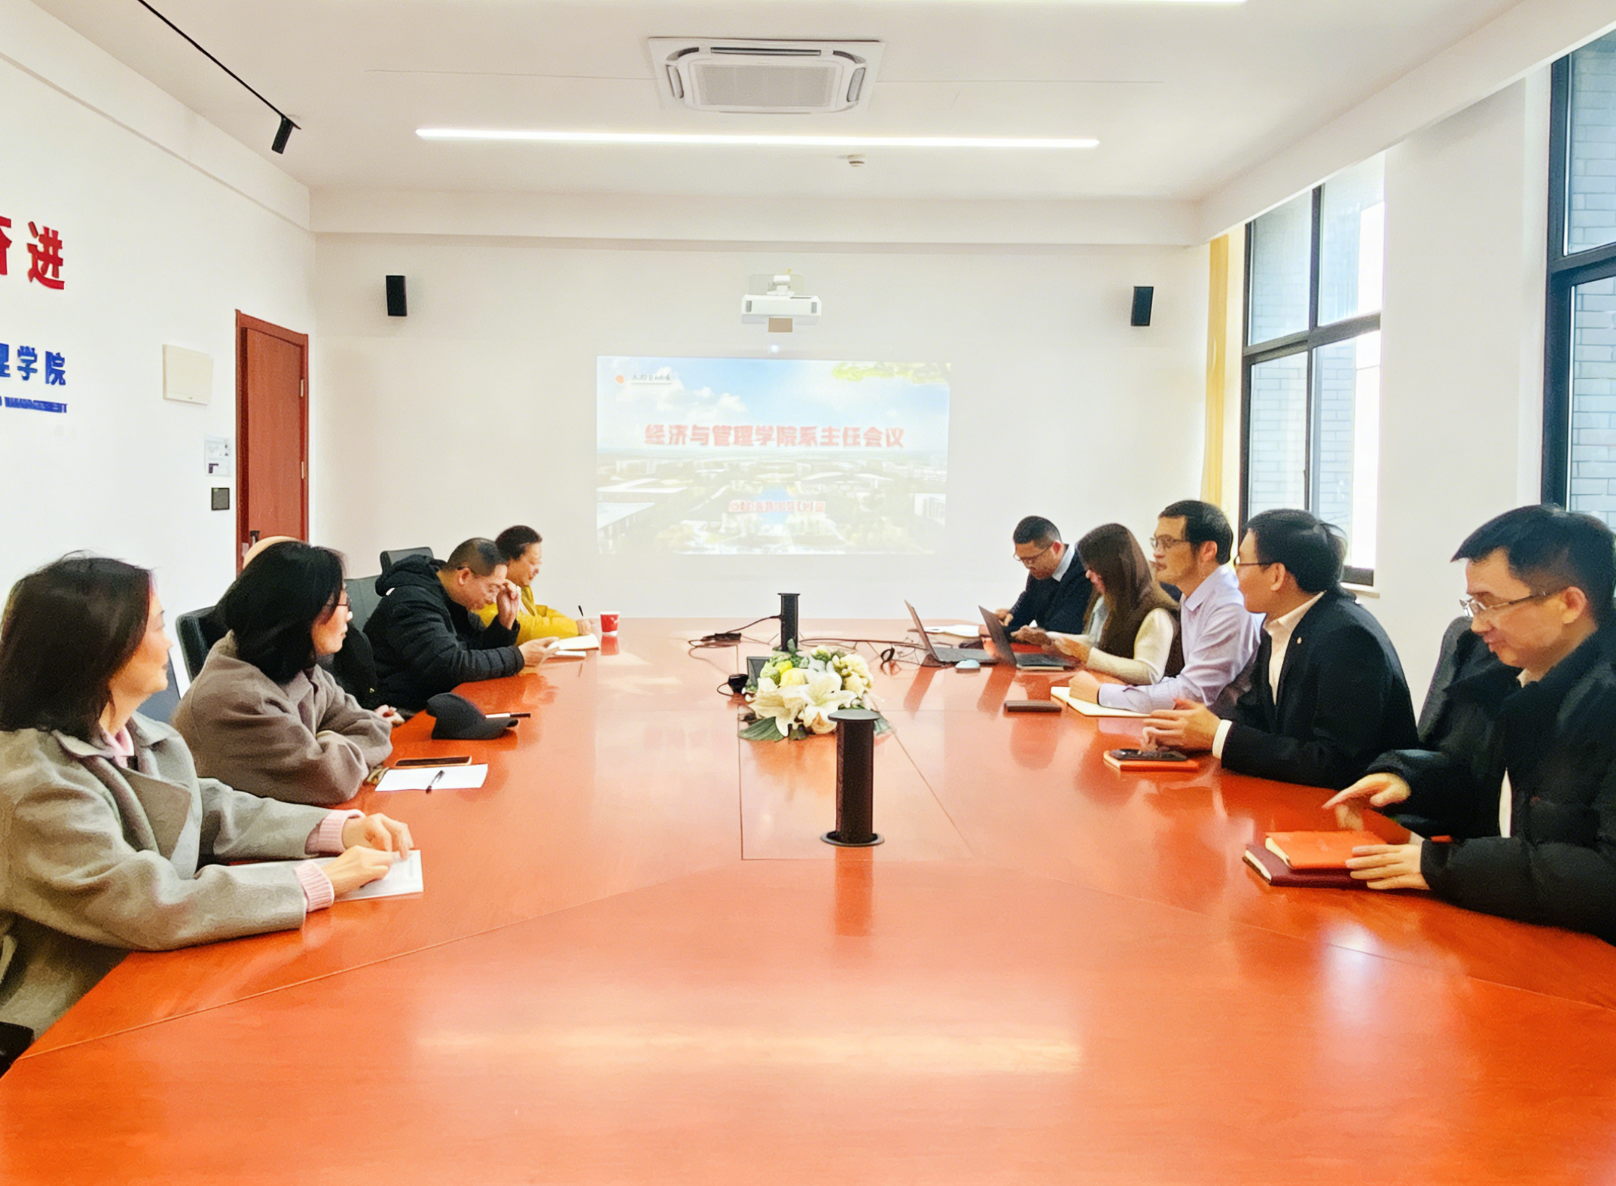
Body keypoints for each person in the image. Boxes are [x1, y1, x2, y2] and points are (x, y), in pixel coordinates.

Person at [0, 555, 411, 1063]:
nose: (171, 646)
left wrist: (335, 829)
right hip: (70, 1024)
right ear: (103, 647)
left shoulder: (142, 734)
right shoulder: (33, 783)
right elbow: (151, 904)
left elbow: (210, 806)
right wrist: (317, 880)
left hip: (154, 977)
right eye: (157, 627)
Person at [1324, 506, 1616, 942]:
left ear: (1569, 604)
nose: (1477, 625)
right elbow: (1484, 787)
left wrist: (1446, 868)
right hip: (1508, 922)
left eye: (1492, 604)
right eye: (1473, 604)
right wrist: (1408, 780)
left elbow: (1605, 876)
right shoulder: (1500, 668)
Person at [1142, 508, 1417, 789]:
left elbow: (1335, 763)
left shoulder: (1347, 638)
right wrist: (1191, 732)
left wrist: (1219, 735)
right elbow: (1255, 714)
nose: (1235, 574)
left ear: (1276, 575)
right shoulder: (1280, 624)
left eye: (1241, 562)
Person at [173, 542, 394, 807]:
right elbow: (330, 779)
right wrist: (326, 742)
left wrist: (324, 744)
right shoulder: (237, 698)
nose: (349, 615)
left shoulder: (290, 662)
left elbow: (370, 727)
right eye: (342, 601)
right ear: (304, 610)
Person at [1064, 501, 1261, 710]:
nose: (1157, 553)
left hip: (1222, 726)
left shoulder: (1230, 608)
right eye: (1156, 542)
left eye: (1168, 543)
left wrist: (1101, 693)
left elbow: (1191, 693)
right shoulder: (1193, 595)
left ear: (1207, 550)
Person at [366, 537, 556, 712]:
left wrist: (504, 623)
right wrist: (519, 656)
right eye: (492, 589)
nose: (492, 600)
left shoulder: (451, 598)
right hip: (405, 712)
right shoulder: (412, 602)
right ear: (464, 576)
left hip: (443, 700)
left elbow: (475, 652)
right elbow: (449, 667)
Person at [1019, 524, 1180, 685]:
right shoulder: (1109, 598)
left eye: (1094, 569)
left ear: (1114, 570)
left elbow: (1149, 672)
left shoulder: (1156, 612)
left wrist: (1088, 655)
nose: (1088, 575)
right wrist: (1050, 638)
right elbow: (1096, 642)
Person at [474, 526, 589, 643]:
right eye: (533, 562)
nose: (537, 570)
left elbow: (536, 613)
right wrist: (574, 627)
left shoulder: (521, 588)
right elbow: (525, 629)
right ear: (508, 559)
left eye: (539, 563)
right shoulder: (488, 591)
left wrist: (574, 623)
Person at [996, 516, 1093, 638]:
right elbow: (1028, 603)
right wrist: (1008, 618)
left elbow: (1059, 632)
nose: (1028, 566)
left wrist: (1004, 632)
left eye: (1032, 559)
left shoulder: (1086, 572)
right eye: (1022, 559)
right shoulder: (1040, 571)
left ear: (1056, 548)